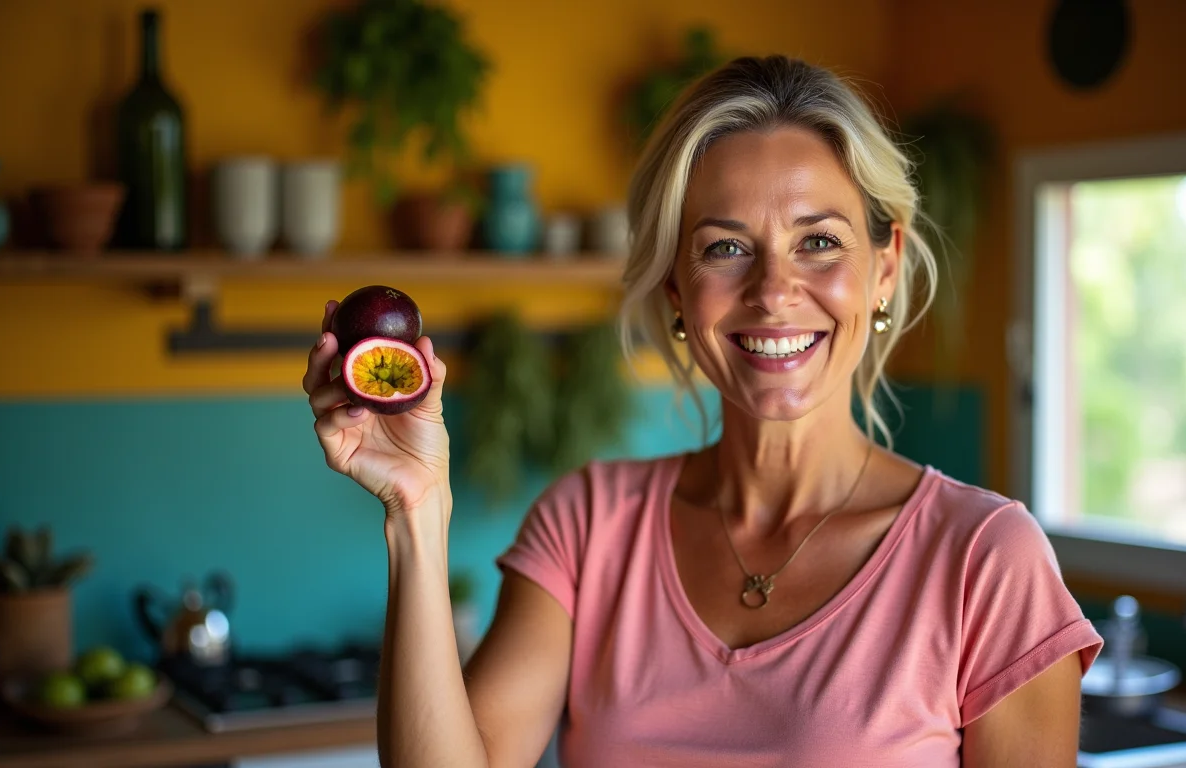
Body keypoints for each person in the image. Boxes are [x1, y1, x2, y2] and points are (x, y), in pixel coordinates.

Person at [303, 55, 1103, 768]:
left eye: (819, 241)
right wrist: (418, 508)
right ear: (678, 289)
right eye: (725, 247)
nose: (774, 290)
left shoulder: (987, 564)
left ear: (884, 268)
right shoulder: (587, 528)